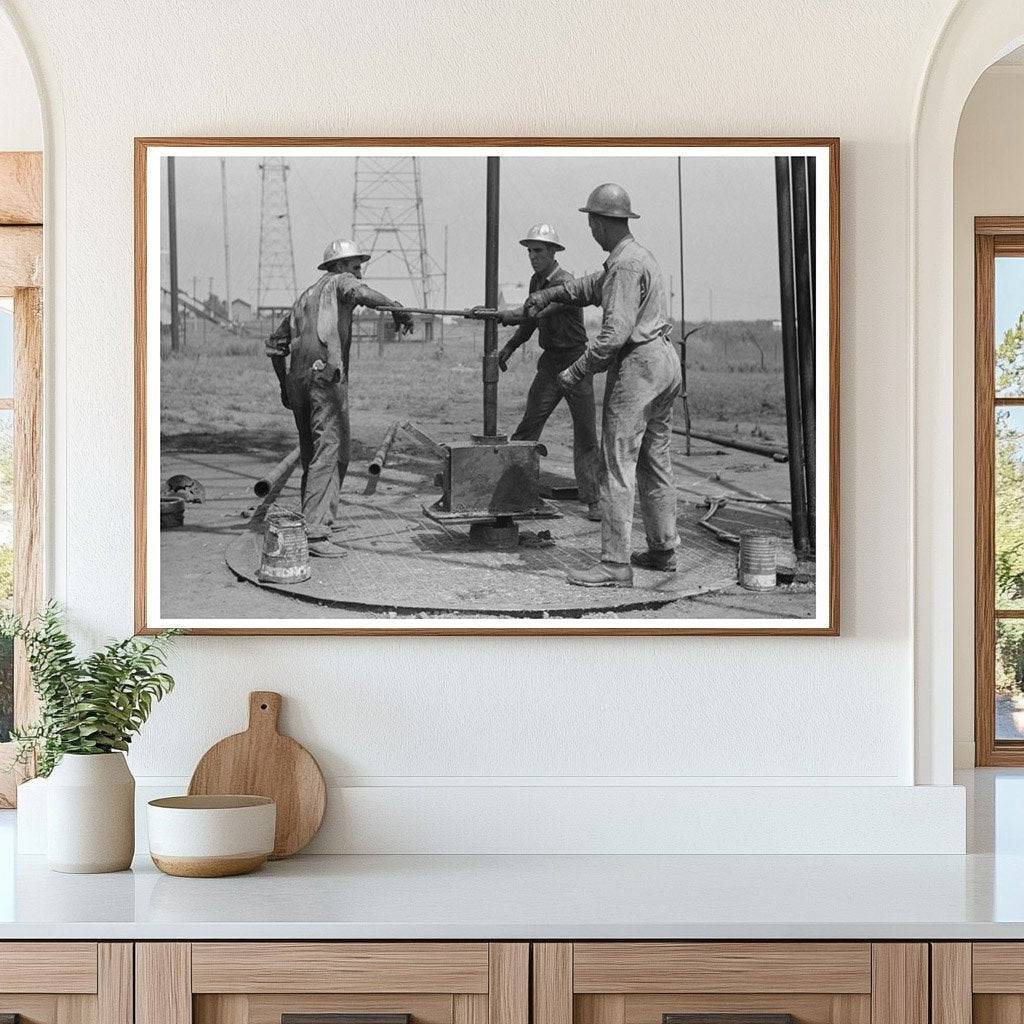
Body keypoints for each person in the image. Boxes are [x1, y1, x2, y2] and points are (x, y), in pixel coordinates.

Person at [524, 184, 682, 588]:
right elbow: (589, 287)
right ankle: (664, 549)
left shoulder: (625, 266)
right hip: (664, 362)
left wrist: (575, 372)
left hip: (640, 367)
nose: (590, 229)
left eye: (590, 221)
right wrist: (549, 296)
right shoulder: (632, 258)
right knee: (654, 459)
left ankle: (614, 564)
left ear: (598, 222)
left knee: (616, 463)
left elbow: (613, 337)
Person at [266, 239, 413, 558]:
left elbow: (276, 346)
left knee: (312, 453)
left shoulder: (304, 297)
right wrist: (397, 308)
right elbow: (359, 292)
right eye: (356, 266)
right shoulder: (341, 282)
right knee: (331, 450)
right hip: (325, 377)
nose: (360, 273)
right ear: (341, 266)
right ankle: (316, 532)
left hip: (298, 381)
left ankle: (313, 518)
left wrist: (284, 387)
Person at [496, 223, 601, 520]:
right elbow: (531, 323)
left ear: (553, 252)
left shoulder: (565, 282)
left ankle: (593, 499)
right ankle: (512, 490)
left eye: (538, 251)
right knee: (528, 427)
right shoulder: (535, 281)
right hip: (551, 362)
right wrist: (510, 347)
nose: (533, 256)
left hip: (576, 361)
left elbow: (539, 312)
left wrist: (509, 315)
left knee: (585, 432)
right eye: (530, 251)